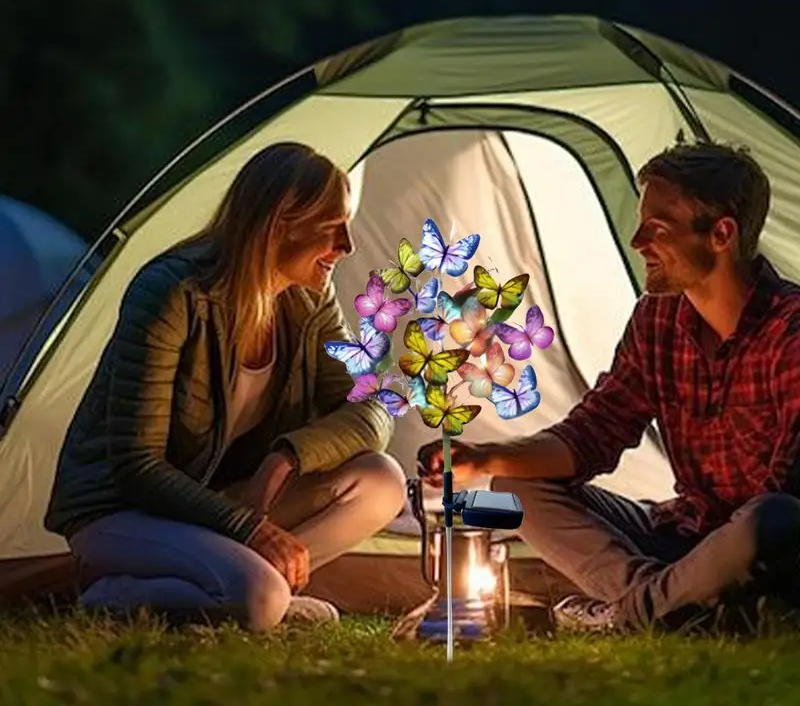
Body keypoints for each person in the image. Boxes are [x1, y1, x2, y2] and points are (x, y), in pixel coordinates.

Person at [419, 140, 800, 634]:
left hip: (761, 549)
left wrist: (723, 557)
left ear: (721, 234)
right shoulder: (658, 319)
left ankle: (636, 611)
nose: (639, 241)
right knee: (514, 488)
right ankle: (674, 604)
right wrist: (482, 457)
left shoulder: (789, 331)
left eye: (658, 228)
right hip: (685, 535)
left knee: (772, 519)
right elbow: (594, 433)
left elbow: (790, 487)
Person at [45, 142, 407, 631]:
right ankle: (116, 594)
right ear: (280, 223)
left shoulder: (308, 300)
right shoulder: (173, 293)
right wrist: (248, 528)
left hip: (218, 499)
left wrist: (288, 457)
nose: (347, 245)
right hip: (123, 509)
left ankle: (255, 588)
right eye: (331, 226)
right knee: (256, 601)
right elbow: (135, 464)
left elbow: (371, 408)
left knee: (381, 480)